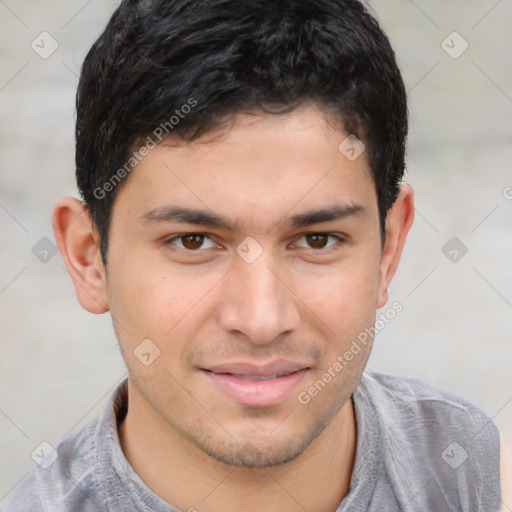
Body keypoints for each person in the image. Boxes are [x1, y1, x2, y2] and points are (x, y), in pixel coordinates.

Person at [4, 0, 501, 510]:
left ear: (388, 247)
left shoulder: (477, 474)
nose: (262, 320)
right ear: (90, 259)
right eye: (193, 241)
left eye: (317, 240)